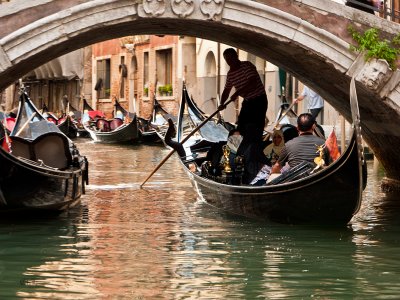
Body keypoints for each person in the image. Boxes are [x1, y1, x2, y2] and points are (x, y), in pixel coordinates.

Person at [218, 48, 268, 140]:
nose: (230, 61)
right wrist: (221, 104)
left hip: (259, 100)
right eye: (227, 59)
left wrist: (237, 93)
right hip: (248, 101)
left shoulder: (246, 65)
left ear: (236, 56)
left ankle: (254, 147)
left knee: (256, 126)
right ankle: (240, 147)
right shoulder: (230, 74)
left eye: (231, 58)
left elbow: (252, 83)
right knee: (241, 125)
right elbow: (226, 90)